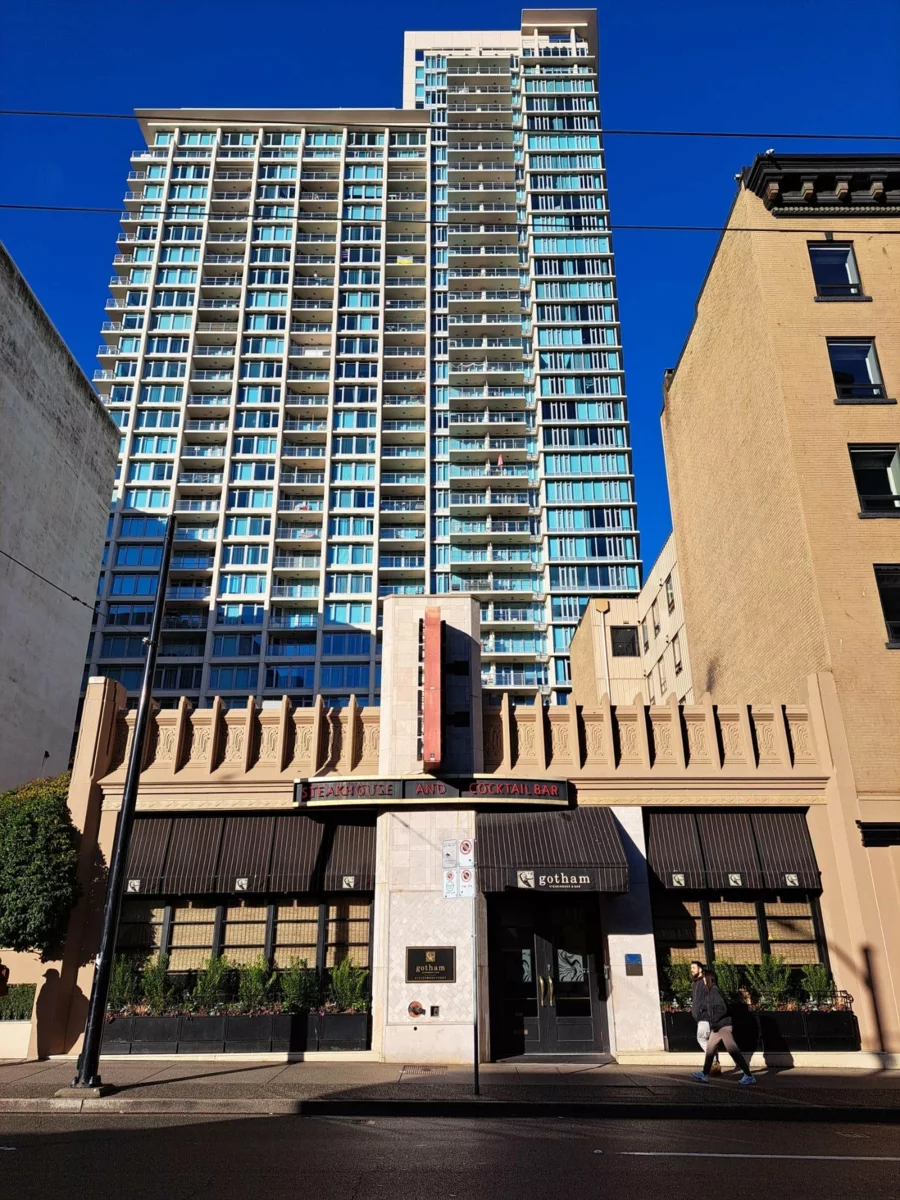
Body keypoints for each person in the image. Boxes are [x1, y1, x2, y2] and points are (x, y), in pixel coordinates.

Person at [692, 968, 756, 1085]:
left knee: (733, 1050)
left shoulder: (715, 991)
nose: (703, 981)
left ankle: (748, 1075)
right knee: (710, 1050)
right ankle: (705, 1074)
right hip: (717, 1026)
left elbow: (723, 1008)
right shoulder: (711, 992)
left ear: (709, 979)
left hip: (723, 1026)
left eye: (704, 978)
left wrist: (714, 1021)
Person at [689, 960, 720, 1074]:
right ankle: (714, 1066)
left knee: (701, 1038)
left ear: (700, 969)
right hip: (701, 1017)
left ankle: (713, 1061)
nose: (691, 970)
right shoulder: (697, 982)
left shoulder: (704, 981)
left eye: (693, 967)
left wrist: (703, 1008)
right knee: (709, 1041)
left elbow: (710, 997)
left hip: (705, 1017)